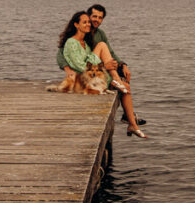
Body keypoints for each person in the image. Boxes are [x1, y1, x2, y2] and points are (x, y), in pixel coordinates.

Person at [55, 10, 147, 139]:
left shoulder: (87, 42)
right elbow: (77, 64)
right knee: (102, 47)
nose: (90, 23)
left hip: (95, 75)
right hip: (86, 80)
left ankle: (132, 124)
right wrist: (67, 68)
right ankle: (116, 81)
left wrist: (122, 64)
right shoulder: (71, 43)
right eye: (86, 21)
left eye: (99, 18)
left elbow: (110, 53)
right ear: (76, 25)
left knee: (126, 86)